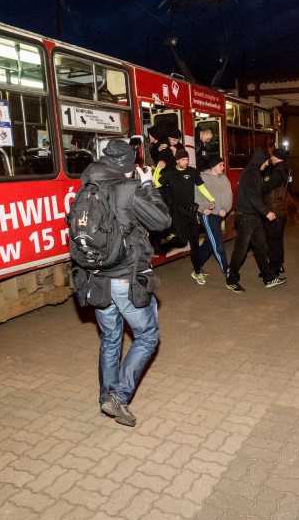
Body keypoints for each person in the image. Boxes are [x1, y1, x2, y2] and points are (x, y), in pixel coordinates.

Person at [75, 139, 171, 427]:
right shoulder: (128, 189)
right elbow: (162, 221)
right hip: (125, 279)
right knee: (147, 337)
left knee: (110, 338)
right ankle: (118, 396)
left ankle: (106, 394)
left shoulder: (88, 186)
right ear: (129, 166)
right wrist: (148, 185)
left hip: (97, 278)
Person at [226, 147, 286, 292]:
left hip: (254, 216)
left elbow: (258, 195)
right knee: (241, 250)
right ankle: (231, 280)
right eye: (267, 161)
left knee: (261, 247)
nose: (268, 163)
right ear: (262, 160)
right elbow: (252, 196)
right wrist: (267, 212)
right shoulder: (249, 173)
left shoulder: (255, 173)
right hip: (245, 216)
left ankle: (268, 278)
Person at [153, 149, 215, 267]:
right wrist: (158, 169)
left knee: (195, 242)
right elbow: (156, 183)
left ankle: (197, 270)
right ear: (177, 161)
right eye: (183, 160)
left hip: (191, 210)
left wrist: (211, 199)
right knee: (182, 241)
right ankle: (163, 246)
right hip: (177, 211)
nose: (186, 162)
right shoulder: (170, 174)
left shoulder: (193, 172)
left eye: (187, 159)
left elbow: (201, 188)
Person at [192, 153, 232, 284]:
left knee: (210, 242)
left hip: (219, 215)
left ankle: (196, 265)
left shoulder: (224, 178)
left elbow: (228, 196)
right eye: (221, 165)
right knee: (218, 241)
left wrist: (225, 209)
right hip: (208, 215)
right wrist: (203, 209)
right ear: (214, 165)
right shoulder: (203, 178)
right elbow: (196, 196)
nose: (223, 167)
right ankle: (226, 269)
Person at [261, 145, 291, 274]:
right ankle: (279, 264)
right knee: (278, 239)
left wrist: (262, 171)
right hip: (282, 210)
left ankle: (273, 269)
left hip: (273, 209)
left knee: (272, 240)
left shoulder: (276, 172)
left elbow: (265, 187)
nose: (270, 158)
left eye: (272, 156)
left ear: (276, 158)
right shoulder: (286, 170)